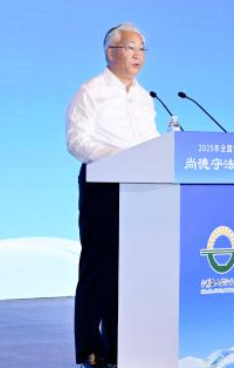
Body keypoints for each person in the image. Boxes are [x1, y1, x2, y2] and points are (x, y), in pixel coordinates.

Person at [65, 22, 158, 368]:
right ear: (110, 53)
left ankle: (121, 346)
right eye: (131, 48)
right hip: (103, 185)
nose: (138, 55)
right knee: (99, 268)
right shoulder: (91, 91)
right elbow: (76, 141)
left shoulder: (145, 98)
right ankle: (91, 348)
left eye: (142, 49)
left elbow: (151, 143)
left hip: (142, 187)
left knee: (131, 269)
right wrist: (121, 158)